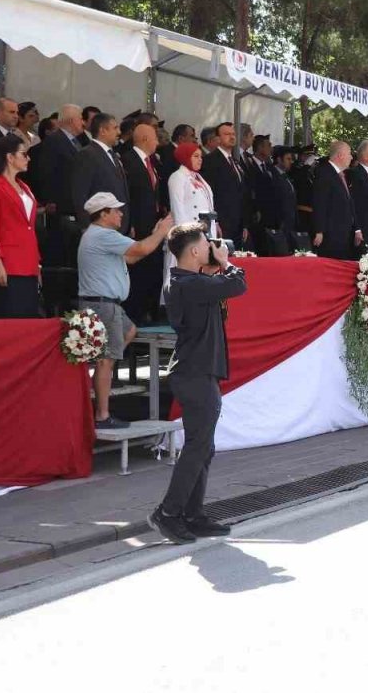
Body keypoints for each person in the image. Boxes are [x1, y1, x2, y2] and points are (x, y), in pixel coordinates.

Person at [148, 222, 248, 544]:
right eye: (206, 244)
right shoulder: (187, 284)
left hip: (200, 372)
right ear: (193, 251)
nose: (211, 248)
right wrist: (228, 262)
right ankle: (167, 513)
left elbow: (220, 287)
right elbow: (238, 284)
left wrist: (217, 265)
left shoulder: (188, 282)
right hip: (195, 373)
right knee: (197, 447)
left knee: (204, 448)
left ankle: (193, 514)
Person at [77, 192, 173, 428]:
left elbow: (131, 258)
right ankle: (102, 414)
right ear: (104, 214)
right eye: (116, 210)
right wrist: (161, 232)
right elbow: (139, 250)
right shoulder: (103, 235)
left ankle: (103, 385)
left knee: (128, 332)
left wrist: (153, 235)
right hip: (103, 305)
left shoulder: (98, 236)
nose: (121, 213)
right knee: (104, 361)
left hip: (105, 305)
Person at [0, 134, 42, 318]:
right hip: (9, 261)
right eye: (24, 154)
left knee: (29, 315)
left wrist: (37, 264)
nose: (28, 158)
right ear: (9, 157)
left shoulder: (25, 187)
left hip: (28, 260)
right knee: (11, 315)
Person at [121, 123, 166, 324]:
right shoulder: (128, 160)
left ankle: (148, 313)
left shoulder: (152, 162)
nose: (158, 141)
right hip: (137, 227)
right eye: (155, 137)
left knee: (151, 270)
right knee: (138, 273)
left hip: (152, 225)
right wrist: (128, 223)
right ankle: (135, 317)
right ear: (145, 139)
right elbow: (126, 195)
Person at [166, 142, 216, 295]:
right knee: (183, 270)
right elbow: (178, 207)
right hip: (187, 234)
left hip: (205, 231)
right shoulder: (177, 177)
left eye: (201, 156)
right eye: (195, 156)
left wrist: (215, 225)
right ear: (185, 156)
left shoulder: (199, 178)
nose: (200, 159)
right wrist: (186, 234)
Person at [200, 123, 248, 249]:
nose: (231, 137)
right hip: (222, 222)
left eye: (233, 134)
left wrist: (244, 224)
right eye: (226, 134)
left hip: (237, 223)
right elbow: (208, 193)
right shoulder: (210, 161)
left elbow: (241, 193)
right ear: (218, 138)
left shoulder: (236, 162)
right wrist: (214, 221)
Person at [311, 140, 357, 259]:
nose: (351, 157)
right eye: (349, 154)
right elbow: (320, 202)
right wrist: (319, 231)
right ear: (340, 155)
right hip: (330, 235)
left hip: (342, 234)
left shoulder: (341, 175)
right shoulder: (325, 172)